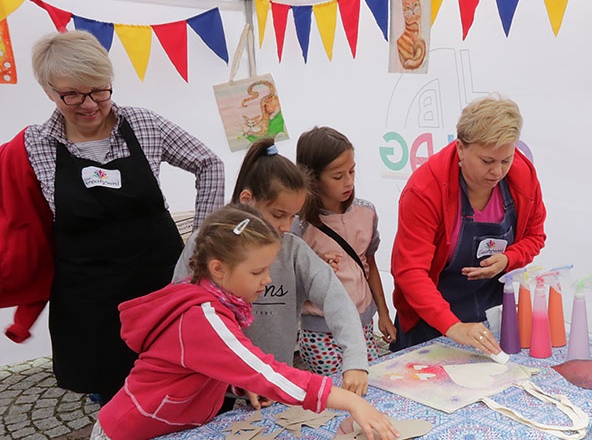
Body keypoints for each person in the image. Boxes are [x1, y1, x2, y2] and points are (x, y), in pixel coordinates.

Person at [0, 30, 224, 405]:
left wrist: (201, 240)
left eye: (99, 90)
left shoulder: (143, 124)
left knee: (186, 390)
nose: (89, 104)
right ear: (48, 90)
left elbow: (209, 163)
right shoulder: (33, 146)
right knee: (116, 400)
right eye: (72, 94)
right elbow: (20, 220)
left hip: (160, 288)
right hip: (90, 303)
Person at [86, 204, 397, 440]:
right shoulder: (203, 317)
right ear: (219, 269)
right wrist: (352, 402)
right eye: (257, 271)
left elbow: (202, 367)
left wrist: (236, 385)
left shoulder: (215, 302)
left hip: (159, 432)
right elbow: (267, 372)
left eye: (268, 269)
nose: (267, 280)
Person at [173, 139, 371, 396]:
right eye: (278, 215)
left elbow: (336, 298)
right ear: (247, 200)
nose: (287, 227)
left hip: (271, 388)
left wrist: (355, 359)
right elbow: (181, 315)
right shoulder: (206, 243)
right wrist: (239, 380)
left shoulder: (292, 249)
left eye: (293, 216)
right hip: (212, 390)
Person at [391, 95, 546, 354]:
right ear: (461, 148)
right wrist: (453, 326)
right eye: (487, 161)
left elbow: (535, 236)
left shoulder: (523, 175)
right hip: (430, 318)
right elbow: (410, 272)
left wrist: (509, 259)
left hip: (491, 311)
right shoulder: (426, 189)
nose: (497, 172)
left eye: (505, 160)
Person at [293, 126, 396, 382]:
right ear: (312, 178)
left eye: (352, 171)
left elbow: (369, 264)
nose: (349, 182)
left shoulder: (366, 213)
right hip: (321, 333)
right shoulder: (298, 226)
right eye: (338, 176)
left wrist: (383, 313)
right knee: (340, 395)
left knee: (371, 386)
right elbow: (286, 284)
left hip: (363, 325)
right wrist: (313, 267)